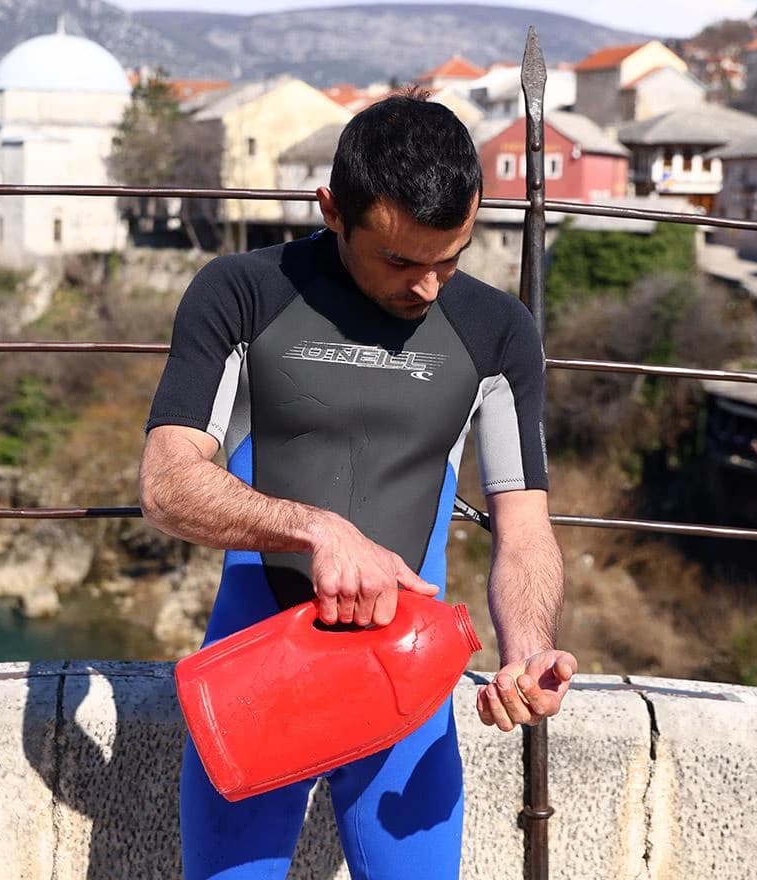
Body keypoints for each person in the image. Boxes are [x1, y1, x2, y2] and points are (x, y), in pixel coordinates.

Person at [139, 93, 576, 880]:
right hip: (256, 679)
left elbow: (525, 530)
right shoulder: (242, 292)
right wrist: (319, 530)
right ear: (332, 211)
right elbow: (168, 485)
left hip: (410, 687)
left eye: (452, 257)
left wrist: (528, 651)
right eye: (402, 262)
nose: (429, 287)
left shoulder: (497, 331)